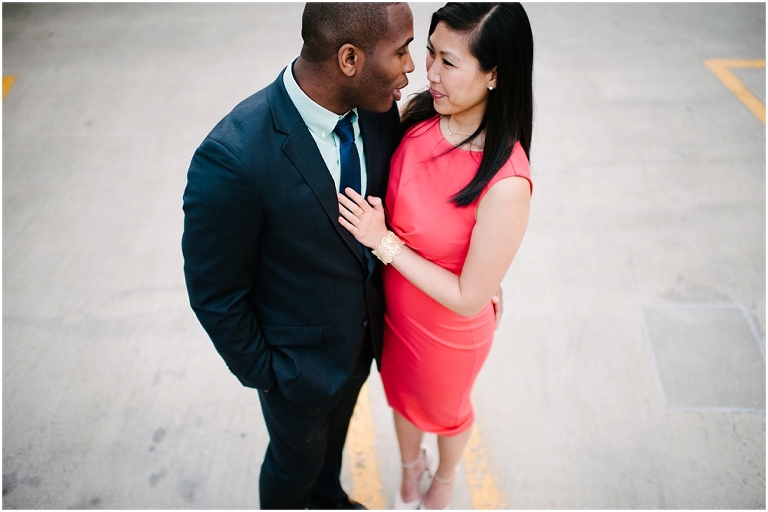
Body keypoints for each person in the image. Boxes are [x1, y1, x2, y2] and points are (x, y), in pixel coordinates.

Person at [181, 3, 415, 509]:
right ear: (349, 58)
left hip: (359, 345)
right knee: (294, 468)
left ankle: (329, 498)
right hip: (294, 370)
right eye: (401, 52)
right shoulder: (233, 156)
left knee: (330, 456)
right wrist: (269, 372)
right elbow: (215, 293)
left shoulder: (377, 112)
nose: (410, 67)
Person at [337, 3, 534, 509]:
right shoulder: (422, 112)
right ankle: (409, 470)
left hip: (447, 330)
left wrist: (384, 243)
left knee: (447, 412)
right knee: (400, 397)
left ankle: (443, 482)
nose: (429, 72)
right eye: (429, 53)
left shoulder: (506, 181)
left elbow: (470, 298)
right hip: (395, 308)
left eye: (448, 62)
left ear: (495, 75)